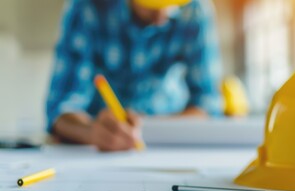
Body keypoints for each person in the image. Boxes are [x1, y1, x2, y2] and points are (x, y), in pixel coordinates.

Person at [46, 0, 224, 151]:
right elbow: (61, 108)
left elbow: (207, 103)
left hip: (167, 143)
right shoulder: (87, 7)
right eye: (150, 4)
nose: (161, 15)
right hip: (97, 141)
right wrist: (91, 131)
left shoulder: (194, 9)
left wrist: (154, 128)